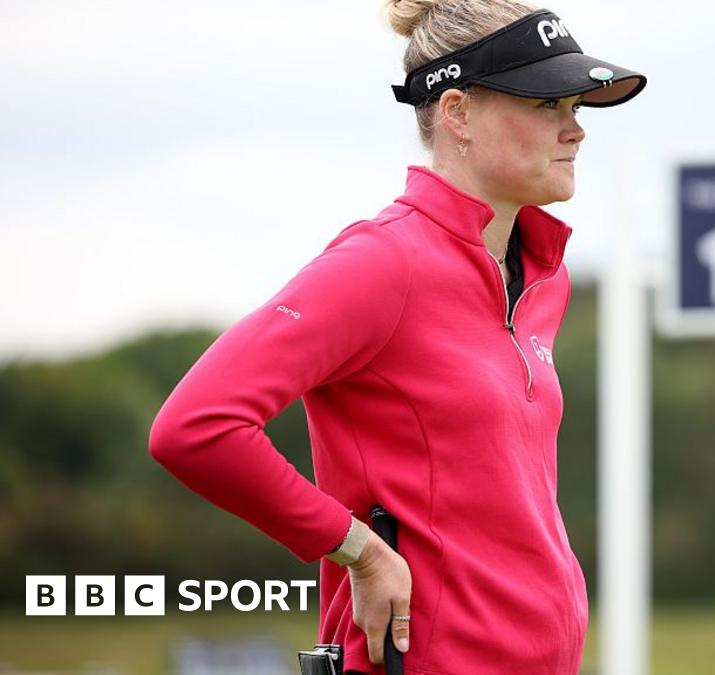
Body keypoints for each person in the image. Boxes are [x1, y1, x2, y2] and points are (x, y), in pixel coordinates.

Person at [146, 0, 646, 673]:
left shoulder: (541, 276)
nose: (574, 130)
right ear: (458, 112)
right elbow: (195, 426)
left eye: (577, 107)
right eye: (545, 104)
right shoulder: (382, 262)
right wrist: (357, 546)